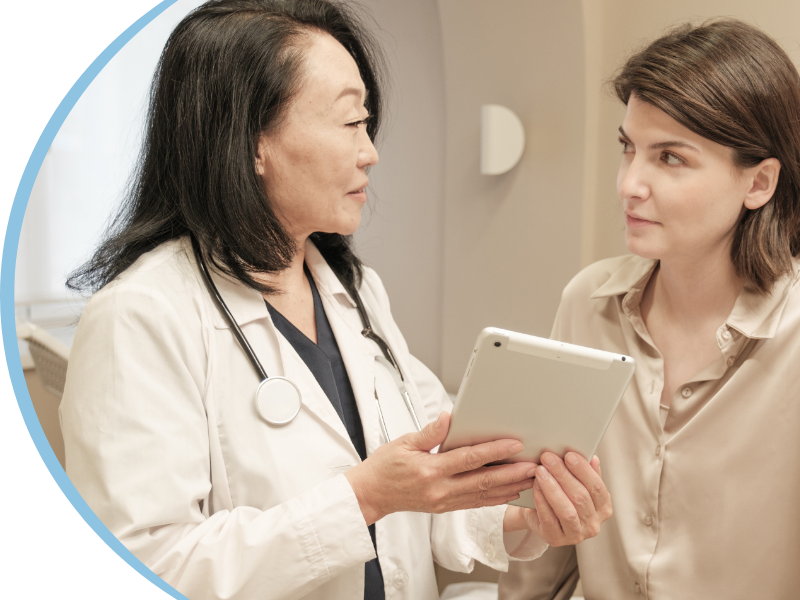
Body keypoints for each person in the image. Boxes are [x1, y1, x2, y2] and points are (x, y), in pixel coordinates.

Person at [59, 2, 613, 599]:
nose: (370, 151)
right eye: (351, 123)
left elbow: (426, 478)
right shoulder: (140, 317)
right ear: (250, 144)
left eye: (367, 123)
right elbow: (151, 558)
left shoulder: (355, 291)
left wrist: (526, 512)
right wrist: (364, 497)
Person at [498, 18, 800, 600]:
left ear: (758, 182)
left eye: (670, 158)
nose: (630, 183)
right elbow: (546, 545)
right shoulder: (587, 304)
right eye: (628, 149)